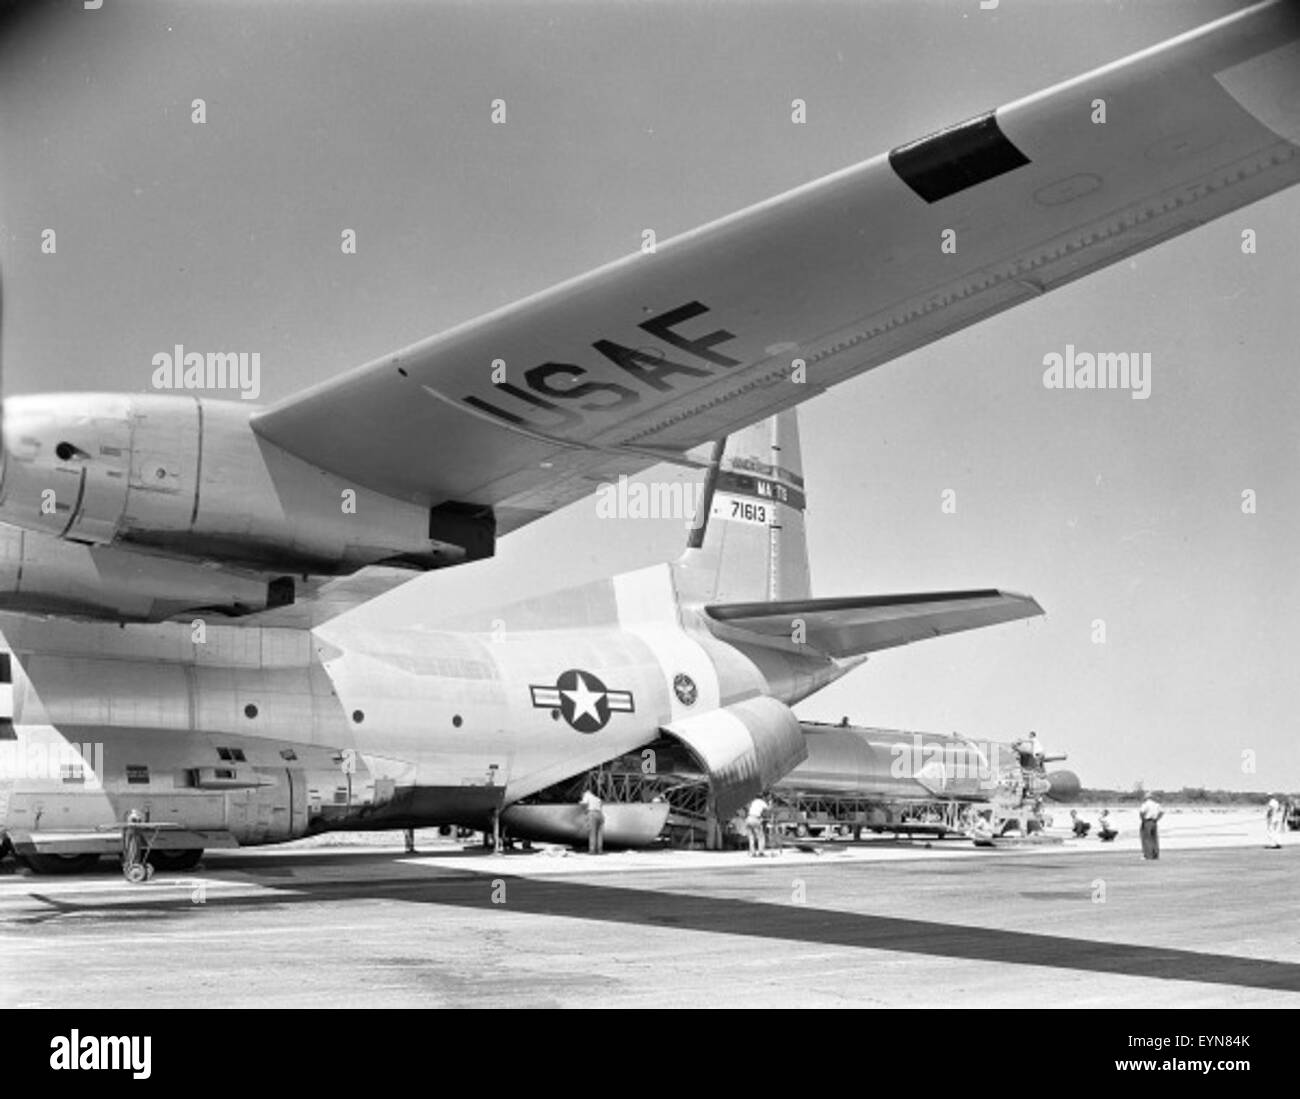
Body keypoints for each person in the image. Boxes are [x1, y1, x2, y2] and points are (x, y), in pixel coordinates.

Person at [579, 788, 604, 854]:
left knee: (592, 833)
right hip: (600, 815)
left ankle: (592, 850)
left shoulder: (586, 795)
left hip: (592, 814)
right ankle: (600, 850)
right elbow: (601, 805)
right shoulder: (597, 798)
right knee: (599, 834)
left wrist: (581, 806)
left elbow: (584, 803)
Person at [1138, 794, 1163, 859]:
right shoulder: (1156, 804)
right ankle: (1155, 855)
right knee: (1154, 839)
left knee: (1146, 839)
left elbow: (1142, 812)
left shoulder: (1146, 804)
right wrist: (1157, 819)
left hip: (1147, 821)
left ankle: (1148, 855)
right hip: (1154, 822)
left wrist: (1143, 819)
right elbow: (1162, 812)